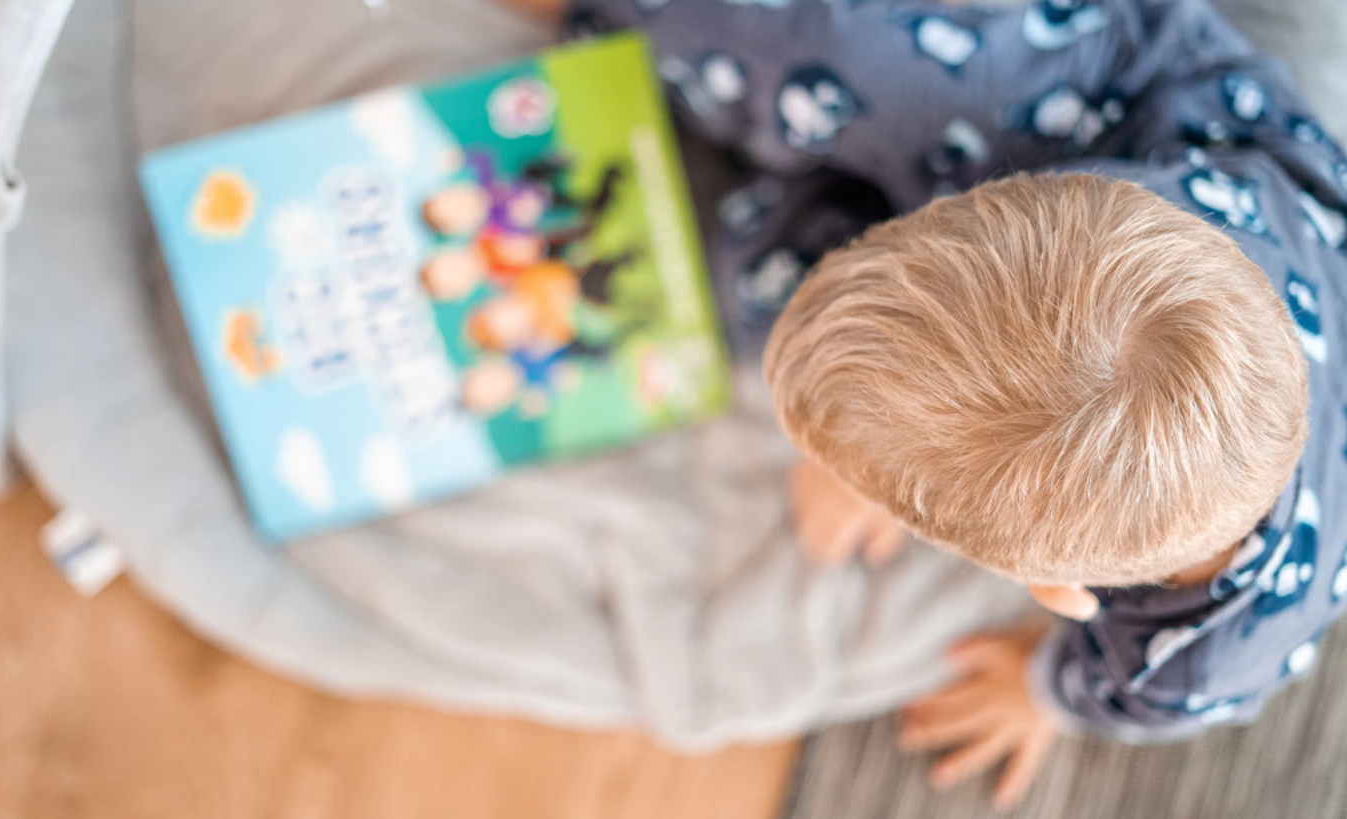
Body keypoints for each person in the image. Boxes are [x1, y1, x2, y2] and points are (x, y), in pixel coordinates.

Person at [500, 0, 1347, 806]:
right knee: (849, 44)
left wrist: (1042, 689)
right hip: (1157, 126)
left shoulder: (1199, 663)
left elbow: (1123, 695)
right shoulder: (1146, 254)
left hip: (1141, 238)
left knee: (738, 290)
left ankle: (796, 236)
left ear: (1054, 588)